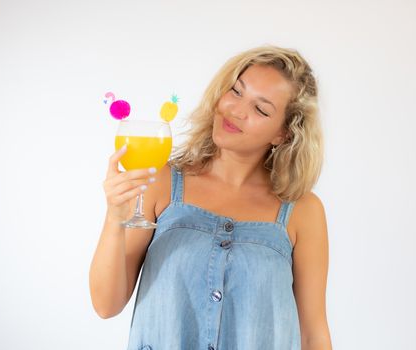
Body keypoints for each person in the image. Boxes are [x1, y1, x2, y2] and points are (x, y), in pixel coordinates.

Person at [89, 45, 332, 350]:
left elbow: (313, 333)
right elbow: (105, 304)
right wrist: (115, 218)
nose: (236, 110)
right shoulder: (160, 181)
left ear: (283, 133)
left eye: (261, 109)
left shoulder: (302, 211)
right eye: (236, 91)